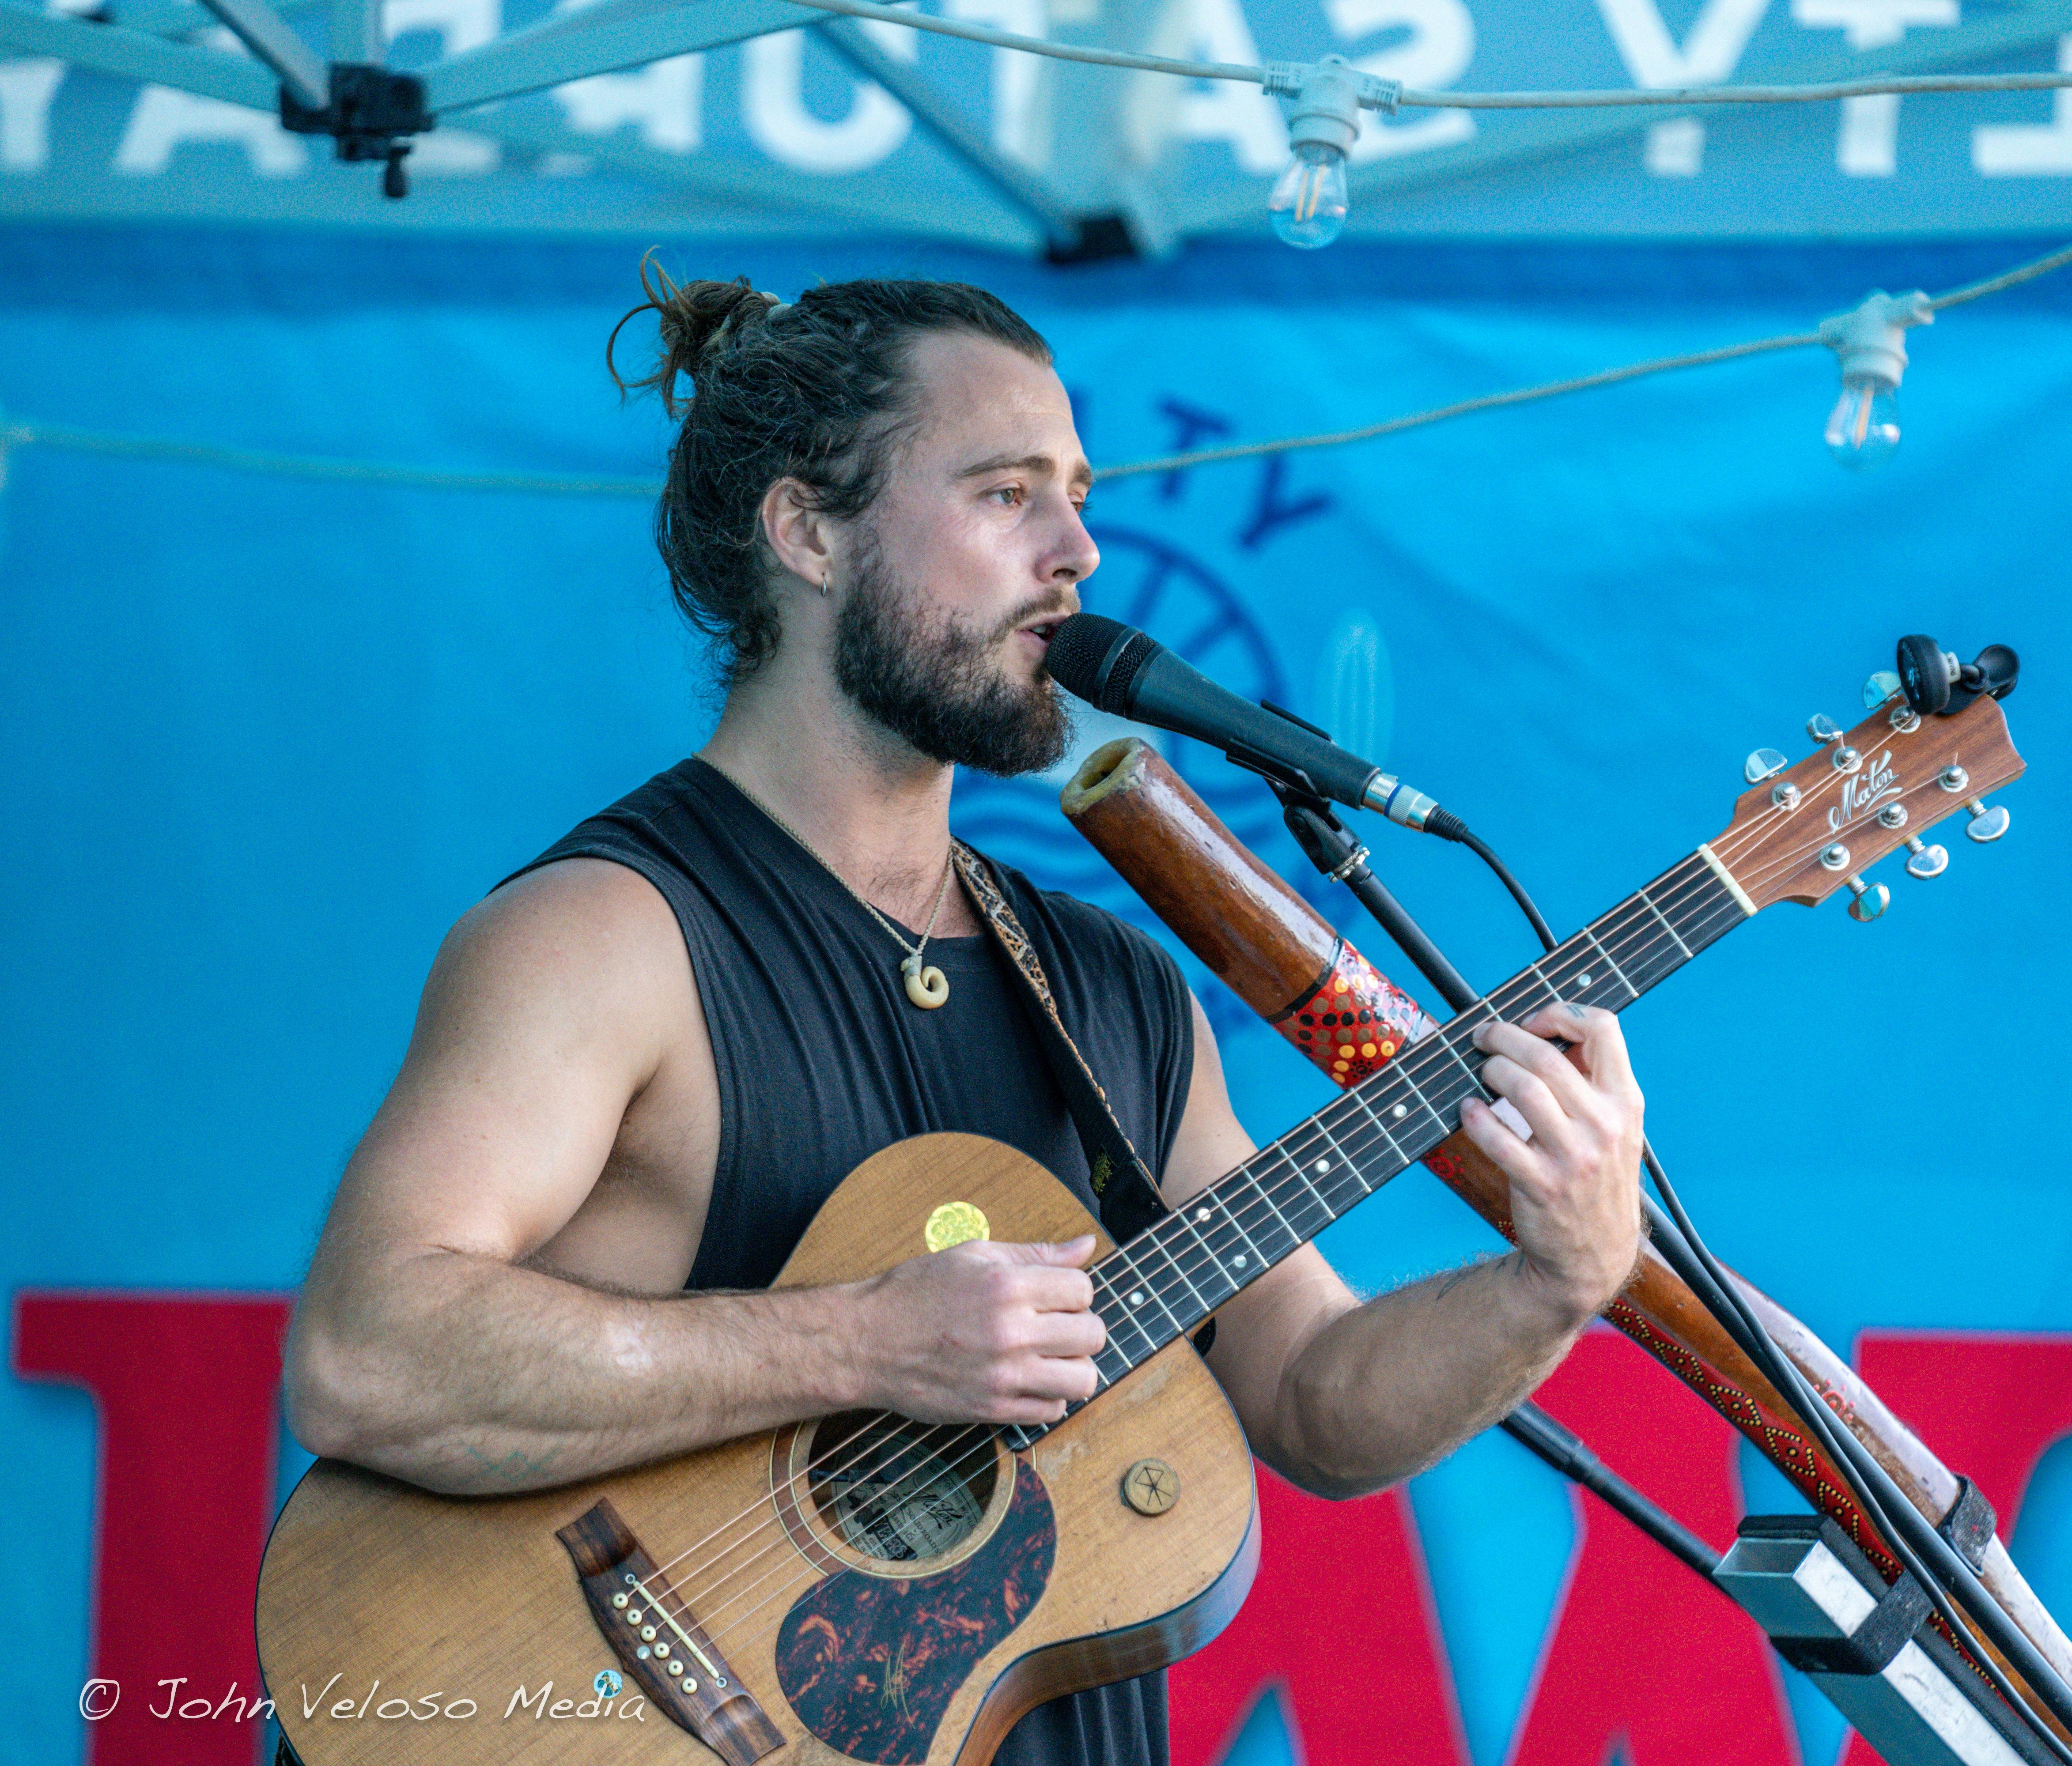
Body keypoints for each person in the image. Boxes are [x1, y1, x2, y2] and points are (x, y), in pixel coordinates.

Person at [281, 269, 1647, 1766]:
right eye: (1007, 496)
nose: (1079, 553)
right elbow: (370, 1355)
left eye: (1076, 497)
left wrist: (1553, 1281)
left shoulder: (1116, 991)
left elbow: (1317, 1402)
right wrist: (865, 1346)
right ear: (807, 533)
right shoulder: (605, 937)